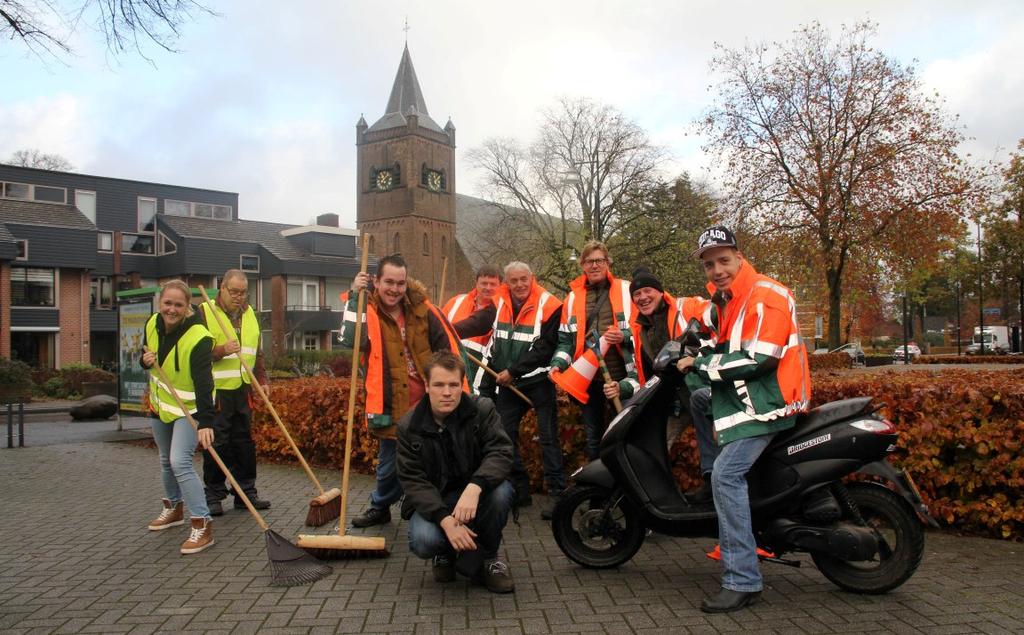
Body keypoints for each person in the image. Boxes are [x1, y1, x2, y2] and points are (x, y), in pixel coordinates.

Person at [676, 226, 811, 613]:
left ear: (738, 256)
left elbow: (758, 358)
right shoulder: (730, 298)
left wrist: (699, 363)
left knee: (727, 476)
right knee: (701, 401)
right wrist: (695, 343)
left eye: (723, 260)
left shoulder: (765, 295)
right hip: (750, 398)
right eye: (709, 264)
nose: (717, 269)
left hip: (768, 404)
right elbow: (719, 336)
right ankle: (709, 469)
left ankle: (742, 579)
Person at [340, 254, 464, 528]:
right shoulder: (366, 308)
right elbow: (351, 340)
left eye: (400, 283)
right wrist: (354, 296)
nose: (394, 289)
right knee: (389, 464)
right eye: (389, 282)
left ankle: (428, 503)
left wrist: (450, 388)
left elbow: (446, 348)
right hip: (391, 400)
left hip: (428, 400)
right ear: (376, 281)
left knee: (436, 456)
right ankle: (380, 506)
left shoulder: (423, 308)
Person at [396, 351, 516, 593]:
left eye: (453, 384)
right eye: (439, 385)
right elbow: (413, 481)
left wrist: (475, 487)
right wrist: (446, 520)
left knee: (502, 492)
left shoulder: (482, 410)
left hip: (476, 496)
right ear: (427, 386)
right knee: (423, 541)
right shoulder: (409, 427)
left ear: (462, 385)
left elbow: (501, 452)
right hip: (437, 499)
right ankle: (444, 554)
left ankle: (489, 558)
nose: (447, 392)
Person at [140, 279, 216, 554]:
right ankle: (173, 507)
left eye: (178, 305)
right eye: (167, 303)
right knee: (164, 459)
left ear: (187, 308)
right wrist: (144, 361)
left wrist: (206, 422)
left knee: (179, 461)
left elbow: (205, 382)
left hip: (190, 408)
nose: (171, 309)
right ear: (160, 303)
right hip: (160, 404)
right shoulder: (152, 322)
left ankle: (202, 523)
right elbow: (145, 353)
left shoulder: (198, 337)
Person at [549, 240, 642, 460]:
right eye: (589, 261)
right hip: (589, 378)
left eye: (599, 260)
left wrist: (624, 336)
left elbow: (644, 328)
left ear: (608, 262)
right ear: (582, 265)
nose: (594, 265)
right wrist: (557, 364)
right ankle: (598, 487)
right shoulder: (571, 299)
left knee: (626, 431)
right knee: (593, 436)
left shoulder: (627, 290)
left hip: (624, 376)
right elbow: (565, 341)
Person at [486, 261, 565, 517]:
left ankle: (558, 495)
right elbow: (486, 330)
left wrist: (513, 371)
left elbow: (545, 348)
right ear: (506, 283)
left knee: (548, 438)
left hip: (539, 382)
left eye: (523, 279)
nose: (519, 285)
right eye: (513, 281)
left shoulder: (550, 304)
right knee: (503, 437)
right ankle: (520, 491)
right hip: (510, 385)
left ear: (533, 278)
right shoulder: (498, 303)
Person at [628, 266, 713, 479]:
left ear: (660, 292)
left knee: (715, 446)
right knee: (654, 448)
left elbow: (719, 316)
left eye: (648, 291)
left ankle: (714, 491)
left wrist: (698, 354)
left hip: (701, 390)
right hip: (671, 401)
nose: (642, 297)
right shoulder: (640, 329)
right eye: (636, 294)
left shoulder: (687, 307)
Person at [199, 269, 270, 516]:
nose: (239, 297)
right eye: (234, 292)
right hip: (217, 392)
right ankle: (214, 494)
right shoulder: (205, 312)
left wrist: (262, 379)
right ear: (222, 288)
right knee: (218, 443)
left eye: (243, 292)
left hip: (243, 389)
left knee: (244, 443)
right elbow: (195, 354)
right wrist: (221, 350)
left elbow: (256, 351)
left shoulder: (250, 314)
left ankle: (245, 493)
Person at [443, 264, 501, 396]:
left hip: (482, 373)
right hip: (450, 364)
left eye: (493, 284)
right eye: (484, 283)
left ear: (500, 286)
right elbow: (440, 328)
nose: (488, 288)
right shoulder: (456, 301)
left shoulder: (501, 310)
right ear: (476, 283)